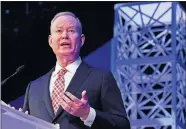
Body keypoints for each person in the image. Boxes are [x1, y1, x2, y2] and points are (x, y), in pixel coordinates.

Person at [22, 11, 130, 129]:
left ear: (81, 40)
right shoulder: (34, 87)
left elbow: (122, 125)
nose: (64, 35)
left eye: (71, 31)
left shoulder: (101, 78)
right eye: (59, 31)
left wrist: (87, 114)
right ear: (50, 41)